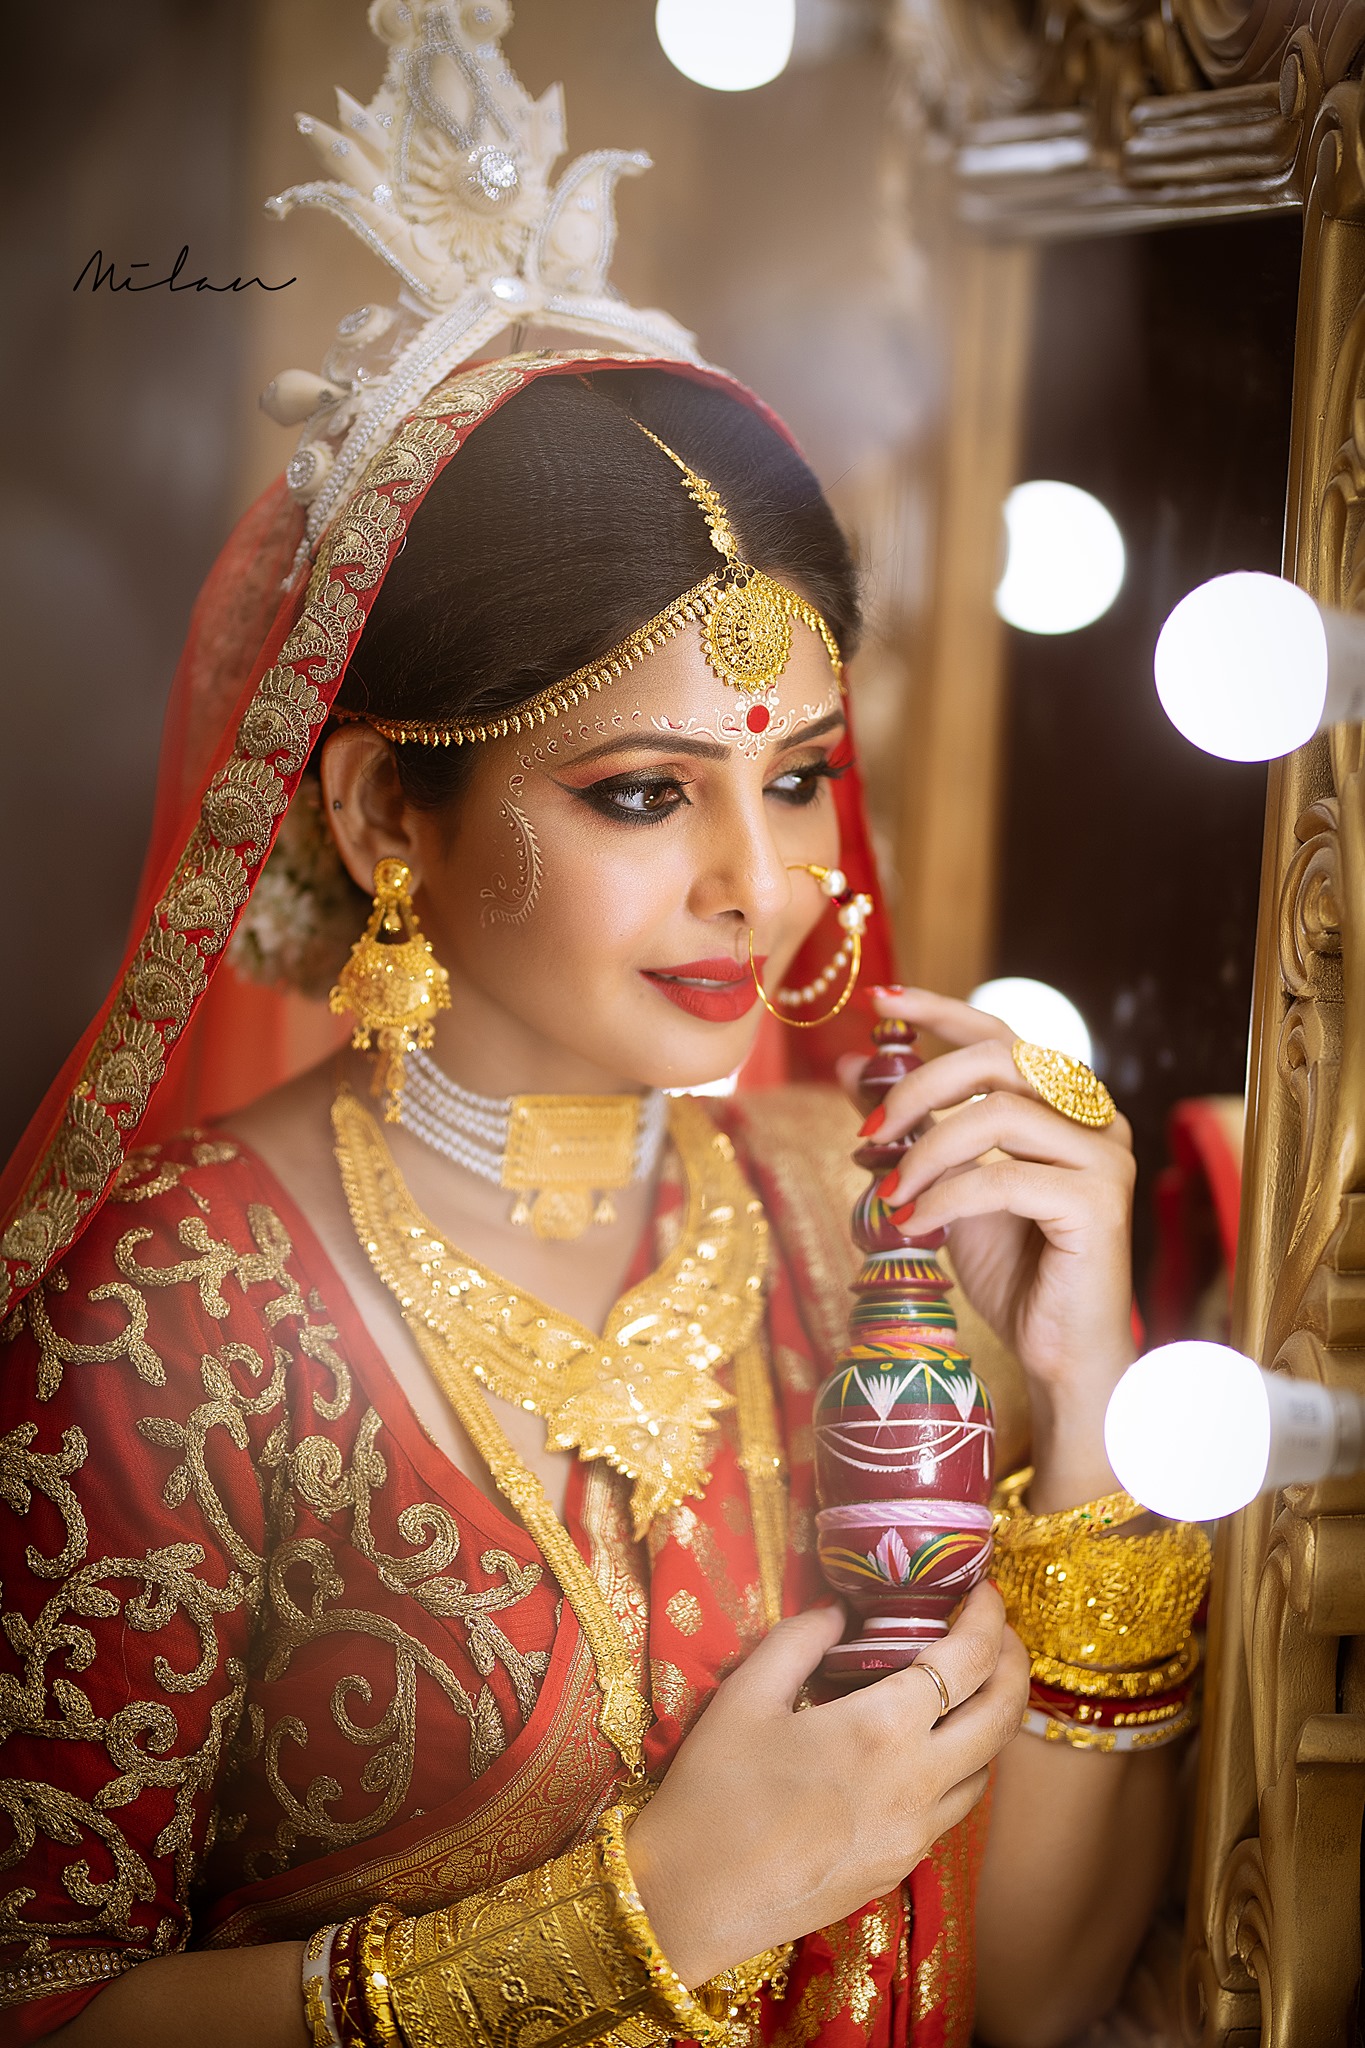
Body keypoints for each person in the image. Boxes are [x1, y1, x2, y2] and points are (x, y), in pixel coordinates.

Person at [0, 12, 1210, 2048]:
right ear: (391, 810)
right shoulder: (173, 1324)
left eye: (803, 774)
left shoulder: (870, 1224)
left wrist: (1088, 1396)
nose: (765, 879)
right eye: (644, 793)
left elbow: (1032, 1984)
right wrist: (652, 1905)